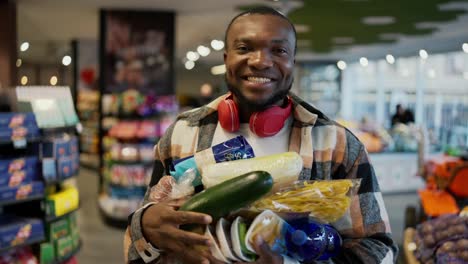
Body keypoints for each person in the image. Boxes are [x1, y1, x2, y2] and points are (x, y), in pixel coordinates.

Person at [124, 7, 397, 264]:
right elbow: (144, 234)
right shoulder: (183, 133)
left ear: (292, 62)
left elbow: (379, 248)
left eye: (278, 50)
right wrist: (144, 226)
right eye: (244, 48)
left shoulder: (336, 144)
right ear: (226, 59)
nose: (260, 61)